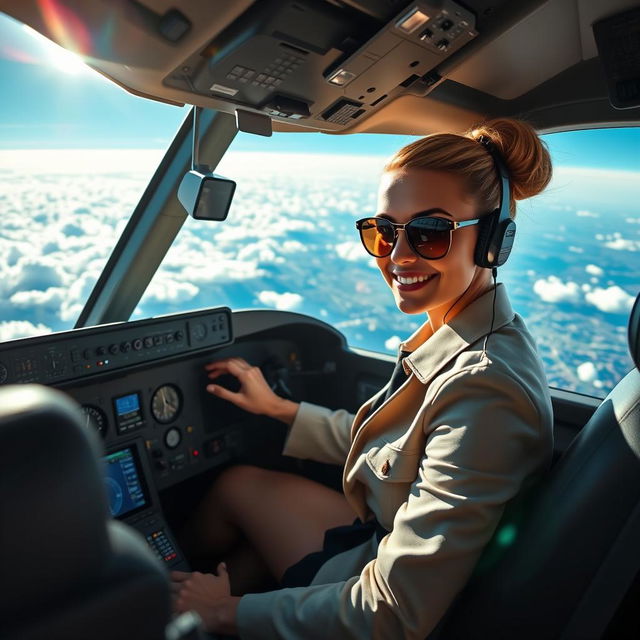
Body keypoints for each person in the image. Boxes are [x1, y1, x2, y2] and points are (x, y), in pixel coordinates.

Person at [171, 117, 554, 639]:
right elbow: (396, 446)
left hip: (378, 589)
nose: (397, 255)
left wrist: (223, 611)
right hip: (378, 541)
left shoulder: (485, 389)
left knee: (235, 509)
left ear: (493, 242)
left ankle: (171, 602)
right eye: (383, 231)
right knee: (242, 512)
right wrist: (281, 411)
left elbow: (394, 612)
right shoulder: (469, 341)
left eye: (430, 232)